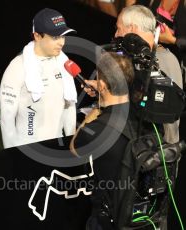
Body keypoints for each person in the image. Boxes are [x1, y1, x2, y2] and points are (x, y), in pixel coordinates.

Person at [87, 5, 182, 144]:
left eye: (118, 28)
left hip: (143, 153)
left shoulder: (135, 63)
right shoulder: (172, 58)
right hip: (169, 152)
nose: (116, 35)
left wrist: (103, 91)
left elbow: (122, 107)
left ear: (132, 29)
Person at [70, 52, 135, 230]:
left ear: (103, 86)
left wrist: (96, 109)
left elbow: (74, 147)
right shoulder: (145, 117)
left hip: (110, 219)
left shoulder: (96, 130)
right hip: (141, 213)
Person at [0, 8, 78, 148]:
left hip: (58, 148)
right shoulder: (17, 66)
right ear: (37, 36)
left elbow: (69, 105)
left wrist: (71, 143)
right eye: (55, 37)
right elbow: (7, 117)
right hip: (27, 149)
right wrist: (11, 154)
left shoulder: (63, 63)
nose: (62, 42)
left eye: (63, 36)